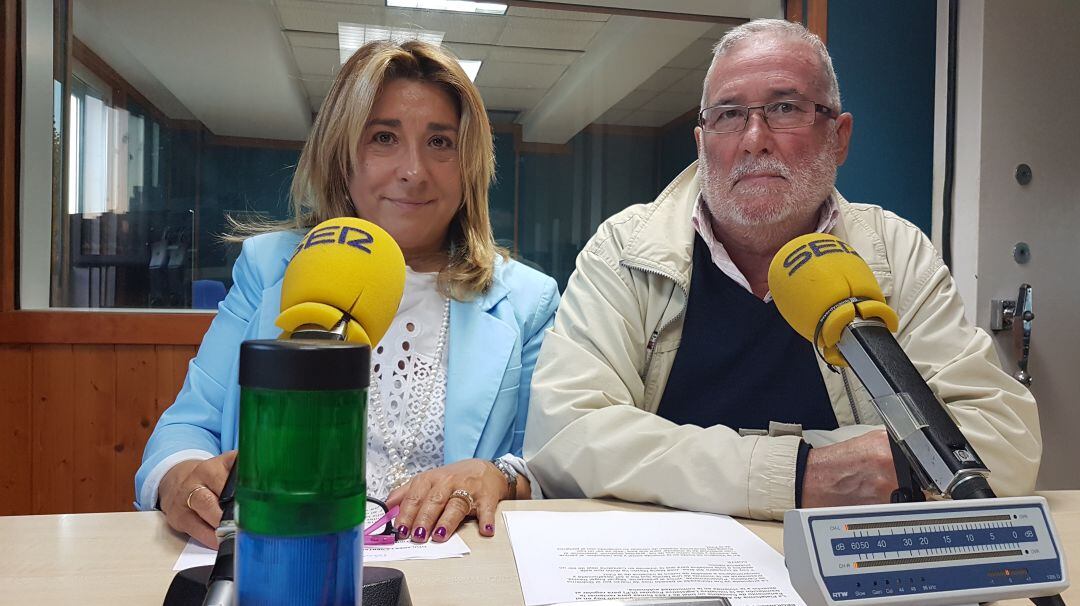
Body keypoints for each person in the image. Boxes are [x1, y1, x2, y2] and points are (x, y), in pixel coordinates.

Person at [523, 19, 1041, 520]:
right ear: (702, 144)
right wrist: (799, 475)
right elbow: (564, 435)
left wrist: (675, 462)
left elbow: (998, 440)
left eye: (785, 108)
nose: (754, 139)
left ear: (838, 137)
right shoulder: (625, 249)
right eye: (728, 114)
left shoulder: (894, 251)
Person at [136, 40, 558, 547]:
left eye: (441, 142)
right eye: (383, 137)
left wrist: (499, 476)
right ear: (342, 154)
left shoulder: (528, 301)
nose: (414, 170)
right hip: (283, 562)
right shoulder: (270, 267)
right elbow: (187, 427)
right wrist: (180, 476)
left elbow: (546, 463)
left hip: (452, 571)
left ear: (469, 164)